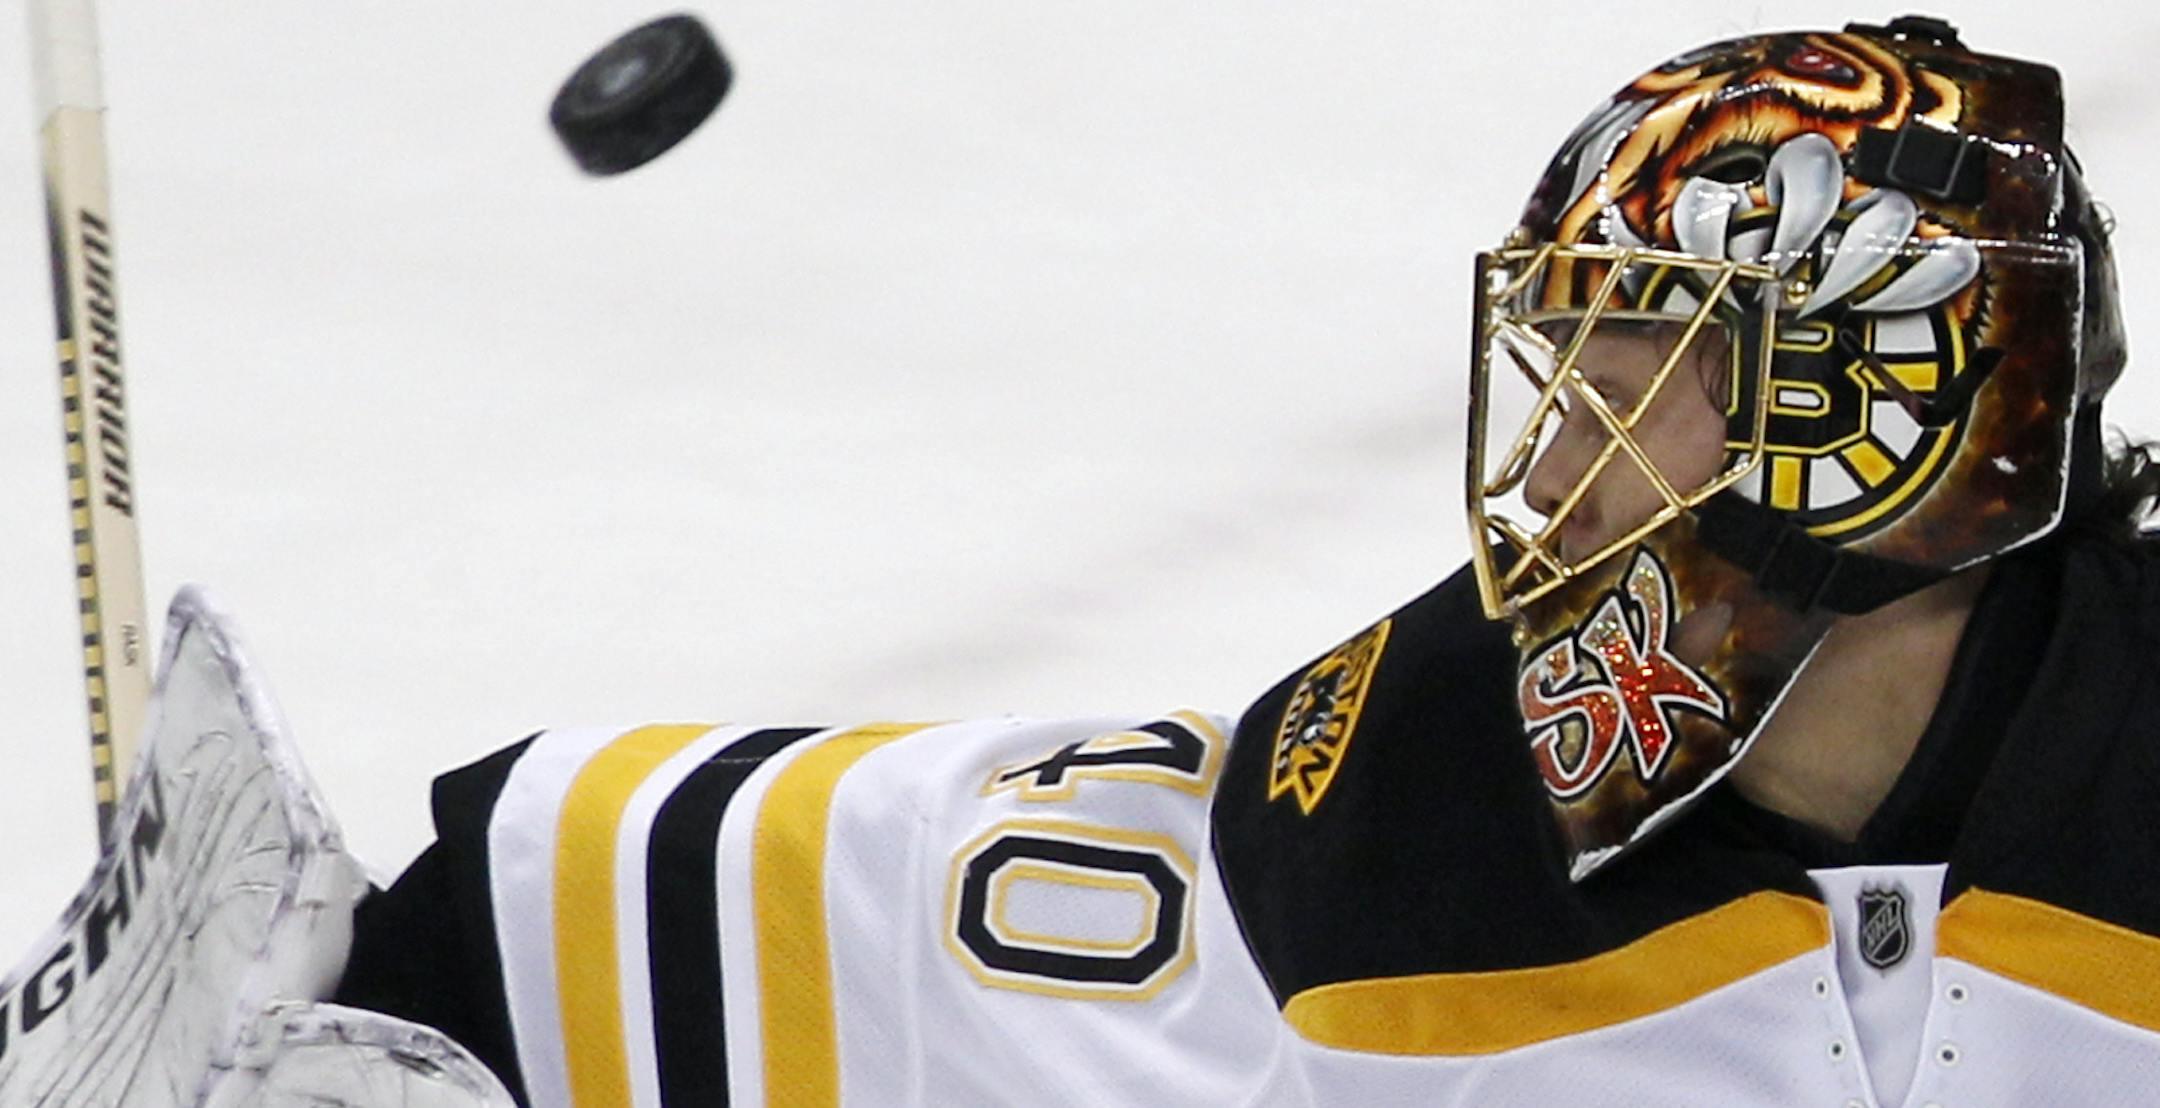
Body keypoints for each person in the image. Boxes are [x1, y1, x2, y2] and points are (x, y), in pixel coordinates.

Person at [333, 16, 2160, 1106]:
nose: (1550, 473)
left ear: (1895, 421)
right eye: (1565, 381)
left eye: (1627, 394)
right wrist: (348, 992)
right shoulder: (1400, 825)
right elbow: (675, 899)